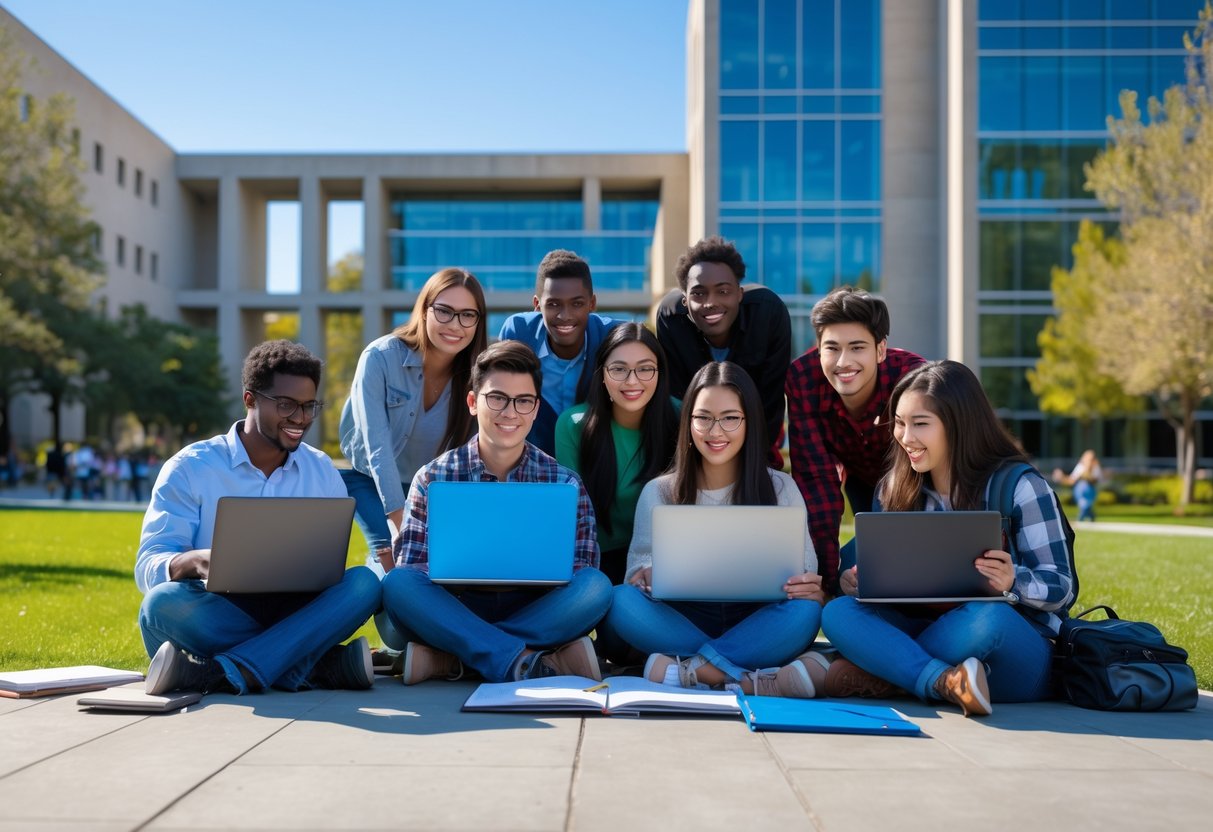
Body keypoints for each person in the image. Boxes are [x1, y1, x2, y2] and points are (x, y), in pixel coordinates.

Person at [820, 360, 1077, 717]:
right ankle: (941, 680)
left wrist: (1012, 579)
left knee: (988, 617)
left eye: (920, 424)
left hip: (1012, 650)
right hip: (923, 626)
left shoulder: (1021, 487)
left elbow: (1062, 586)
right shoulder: (893, 490)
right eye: (899, 423)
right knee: (839, 613)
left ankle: (888, 669)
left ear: (959, 426)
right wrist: (857, 583)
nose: (906, 438)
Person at [135, 340, 382, 696]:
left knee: (364, 583)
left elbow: (330, 563)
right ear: (250, 400)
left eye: (309, 406)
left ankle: (218, 674)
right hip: (221, 609)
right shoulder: (190, 467)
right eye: (286, 405)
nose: (301, 418)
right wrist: (196, 561)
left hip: (297, 610)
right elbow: (148, 565)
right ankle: (315, 663)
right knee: (159, 606)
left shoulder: (321, 469)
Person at [381, 340, 613, 685]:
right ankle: (529, 659)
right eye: (497, 398)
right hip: (457, 606)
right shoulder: (433, 476)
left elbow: (582, 566)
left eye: (523, 402)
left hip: (536, 607)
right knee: (399, 585)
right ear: (473, 403)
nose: (510, 412)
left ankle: (455, 658)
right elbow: (411, 564)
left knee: (596, 587)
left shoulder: (564, 482)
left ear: (536, 409)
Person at [602, 361, 827, 698]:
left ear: (749, 422)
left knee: (807, 612)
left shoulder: (780, 487)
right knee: (620, 601)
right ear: (688, 422)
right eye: (703, 418)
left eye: (730, 418)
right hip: (682, 618)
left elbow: (805, 571)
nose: (715, 431)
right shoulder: (660, 491)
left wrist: (807, 585)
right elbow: (636, 571)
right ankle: (745, 676)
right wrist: (645, 575)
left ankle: (691, 672)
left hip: (758, 616)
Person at [339, 267, 488, 652]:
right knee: (395, 561)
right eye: (445, 311)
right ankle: (400, 639)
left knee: (445, 574)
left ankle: (441, 645)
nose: (455, 324)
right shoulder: (381, 358)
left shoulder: (475, 375)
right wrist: (398, 521)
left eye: (467, 315)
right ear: (424, 310)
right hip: (370, 482)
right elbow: (376, 448)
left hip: (429, 489)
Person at [786, 286, 925, 594]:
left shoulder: (913, 377)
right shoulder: (803, 379)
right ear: (818, 347)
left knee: (890, 564)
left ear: (880, 349)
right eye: (832, 348)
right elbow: (815, 481)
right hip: (860, 479)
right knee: (849, 577)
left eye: (857, 348)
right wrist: (825, 581)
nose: (843, 362)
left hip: (914, 480)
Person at [554, 322, 679, 584]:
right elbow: (573, 517)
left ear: (660, 373)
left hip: (668, 559)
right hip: (599, 561)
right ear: (601, 374)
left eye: (645, 369)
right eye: (619, 369)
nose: (632, 381)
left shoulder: (683, 417)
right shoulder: (573, 425)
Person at [655, 237, 791, 469]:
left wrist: (753, 464)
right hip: (697, 438)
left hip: (756, 433)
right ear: (685, 300)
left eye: (723, 291)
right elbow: (678, 402)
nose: (711, 302)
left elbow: (771, 401)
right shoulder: (670, 319)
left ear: (739, 294)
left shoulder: (768, 314)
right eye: (699, 294)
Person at [497, 249, 624, 456]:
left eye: (577, 304)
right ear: (537, 305)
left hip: (595, 460)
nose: (565, 315)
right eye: (554, 304)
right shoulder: (518, 333)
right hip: (530, 462)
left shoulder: (612, 337)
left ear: (592, 304)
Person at [1054, 449, 1102, 522]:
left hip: (1090, 491)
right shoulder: (1080, 467)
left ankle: (1085, 516)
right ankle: (1088, 516)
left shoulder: (1096, 467)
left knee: (1086, 505)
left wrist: (1087, 476)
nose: (1088, 461)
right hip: (1080, 490)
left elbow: (1096, 480)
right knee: (1084, 505)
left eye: (1091, 459)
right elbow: (1071, 480)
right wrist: (1062, 477)